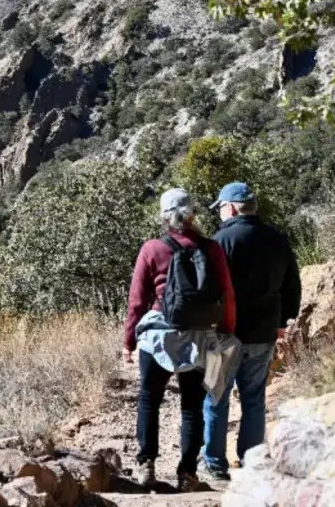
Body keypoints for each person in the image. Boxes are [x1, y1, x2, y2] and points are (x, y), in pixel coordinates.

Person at [123, 188, 237, 492]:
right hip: (200, 336)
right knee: (192, 405)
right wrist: (225, 331)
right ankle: (187, 474)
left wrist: (128, 341)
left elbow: (137, 299)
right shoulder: (211, 248)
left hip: (159, 335)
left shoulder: (152, 248)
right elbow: (226, 293)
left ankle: (146, 465)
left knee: (149, 398)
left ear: (163, 216)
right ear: (193, 213)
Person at [201, 182, 301, 480]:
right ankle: (251, 464)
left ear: (231, 208)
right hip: (264, 331)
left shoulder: (221, 241)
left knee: (215, 398)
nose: (220, 212)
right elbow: (291, 284)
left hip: (224, 334)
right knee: (254, 398)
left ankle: (214, 466)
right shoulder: (277, 239)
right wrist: (284, 320)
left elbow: (208, 288)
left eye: (220, 207)